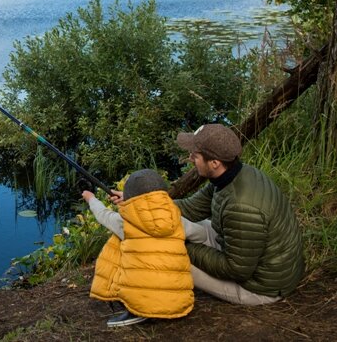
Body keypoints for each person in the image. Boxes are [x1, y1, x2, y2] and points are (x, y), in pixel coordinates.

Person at [108, 123, 305, 306]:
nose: (190, 158)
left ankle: (144, 303)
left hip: (261, 287)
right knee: (179, 229)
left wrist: (182, 247)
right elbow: (189, 208)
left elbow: (236, 269)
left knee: (165, 254)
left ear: (215, 162)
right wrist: (137, 201)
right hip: (256, 257)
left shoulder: (240, 206)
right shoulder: (233, 176)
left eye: (195, 155)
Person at [82, 169, 194, 328]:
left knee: (117, 242)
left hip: (143, 303)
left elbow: (103, 215)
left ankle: (137, 311)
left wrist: (91, 199)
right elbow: (199, 233)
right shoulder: (175, 218)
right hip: (179, 302)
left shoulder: (126, 224)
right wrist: (130, 202)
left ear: (133, 197)